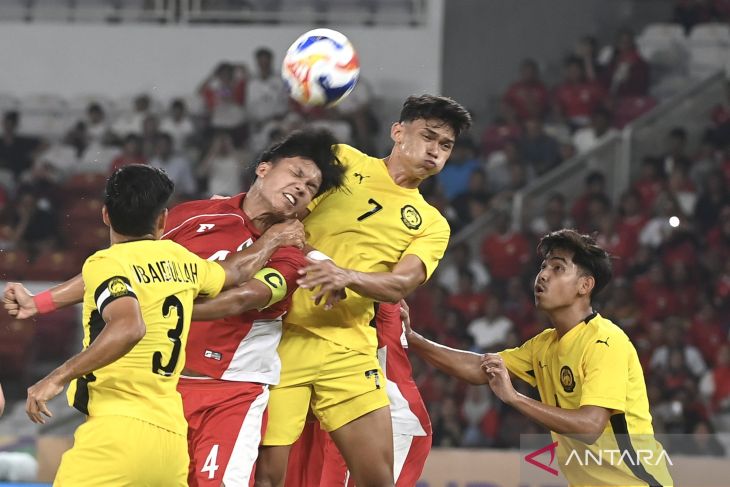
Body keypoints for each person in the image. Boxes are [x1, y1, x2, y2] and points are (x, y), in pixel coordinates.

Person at [4, 129, 348, 486]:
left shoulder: (291, 253)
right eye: (296, 174)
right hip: (168, 394)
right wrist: (40, 302)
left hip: (231, 394)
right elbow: (123, 266)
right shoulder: (194, 216)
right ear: (264, 168)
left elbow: (243, 297)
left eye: (311, 187)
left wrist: (161, 302)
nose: (301, 188)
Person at [255, 94, 471, 487]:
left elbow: (402, 283)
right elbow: (282, 212)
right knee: (269, 477)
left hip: (351, 350)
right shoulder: (344, 160)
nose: (435, 151)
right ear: (398, 132)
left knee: (377, 479)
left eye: (446, 145)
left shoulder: (431, 223)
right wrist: (313, 256)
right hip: (284, 339)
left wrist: (346, 277)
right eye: (428, 136)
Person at [404, 229, 673, 486]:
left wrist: (515, 398)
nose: (543, 275)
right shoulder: (543, 345)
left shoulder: (605, 342)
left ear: (584, 285)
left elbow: (590, 426)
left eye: (558, 268)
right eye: (544, 266)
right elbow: (479, 367)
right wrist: (412, 338)